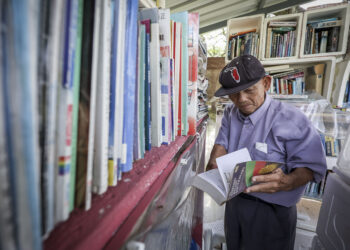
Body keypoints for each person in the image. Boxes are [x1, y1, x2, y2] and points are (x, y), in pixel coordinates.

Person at [207, 55, 327, 250]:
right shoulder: (230, 113)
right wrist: (214, 163)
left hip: (272, 212)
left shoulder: (292, 119)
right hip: (235, 205)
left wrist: (287, 182)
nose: (242, 99)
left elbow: (311, 168)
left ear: (266, 83)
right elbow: (221, 144)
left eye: (249, 90)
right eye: (234, 93)